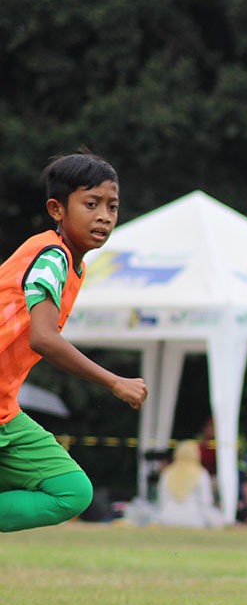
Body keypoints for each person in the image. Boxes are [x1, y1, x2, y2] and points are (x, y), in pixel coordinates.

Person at [0, 151, 147, 533]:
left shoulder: (70, 265)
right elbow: (44, 338)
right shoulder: (52, 257)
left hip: (4, 411)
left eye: (112, 206)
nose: (104, 216)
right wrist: (115, 381)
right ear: (57, 209)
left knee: (71, 491)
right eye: (91, 204)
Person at [157, 440, 226, 528]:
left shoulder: (167, 473)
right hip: (194, 519)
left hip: (167, 518)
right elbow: (206, 501)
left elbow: (162, 500)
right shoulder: (201, 473)